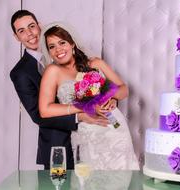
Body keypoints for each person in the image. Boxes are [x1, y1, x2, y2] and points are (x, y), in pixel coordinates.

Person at [10, 10, 109, 169]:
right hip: (57, 146)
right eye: (21, 31)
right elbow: (38, 115)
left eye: (32, 26)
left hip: (93, 140)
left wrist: (108, 99)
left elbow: (95, 84)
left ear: (39, 26)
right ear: (16, 37)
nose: (30, 34)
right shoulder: (20, 73)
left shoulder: (66, 52)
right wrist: (80, 117)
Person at [38, 22, 139, 170]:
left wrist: (109, 97)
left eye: (62, 42)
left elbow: (124, 89)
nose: (58, 49)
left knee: (122, 174)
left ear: (72, 44)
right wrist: (84, 107)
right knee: (90, 178)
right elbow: (45, 110)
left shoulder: (95, 63)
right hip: (88, 132)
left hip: (114, 128)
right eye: (52, 46)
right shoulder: (52, 71)